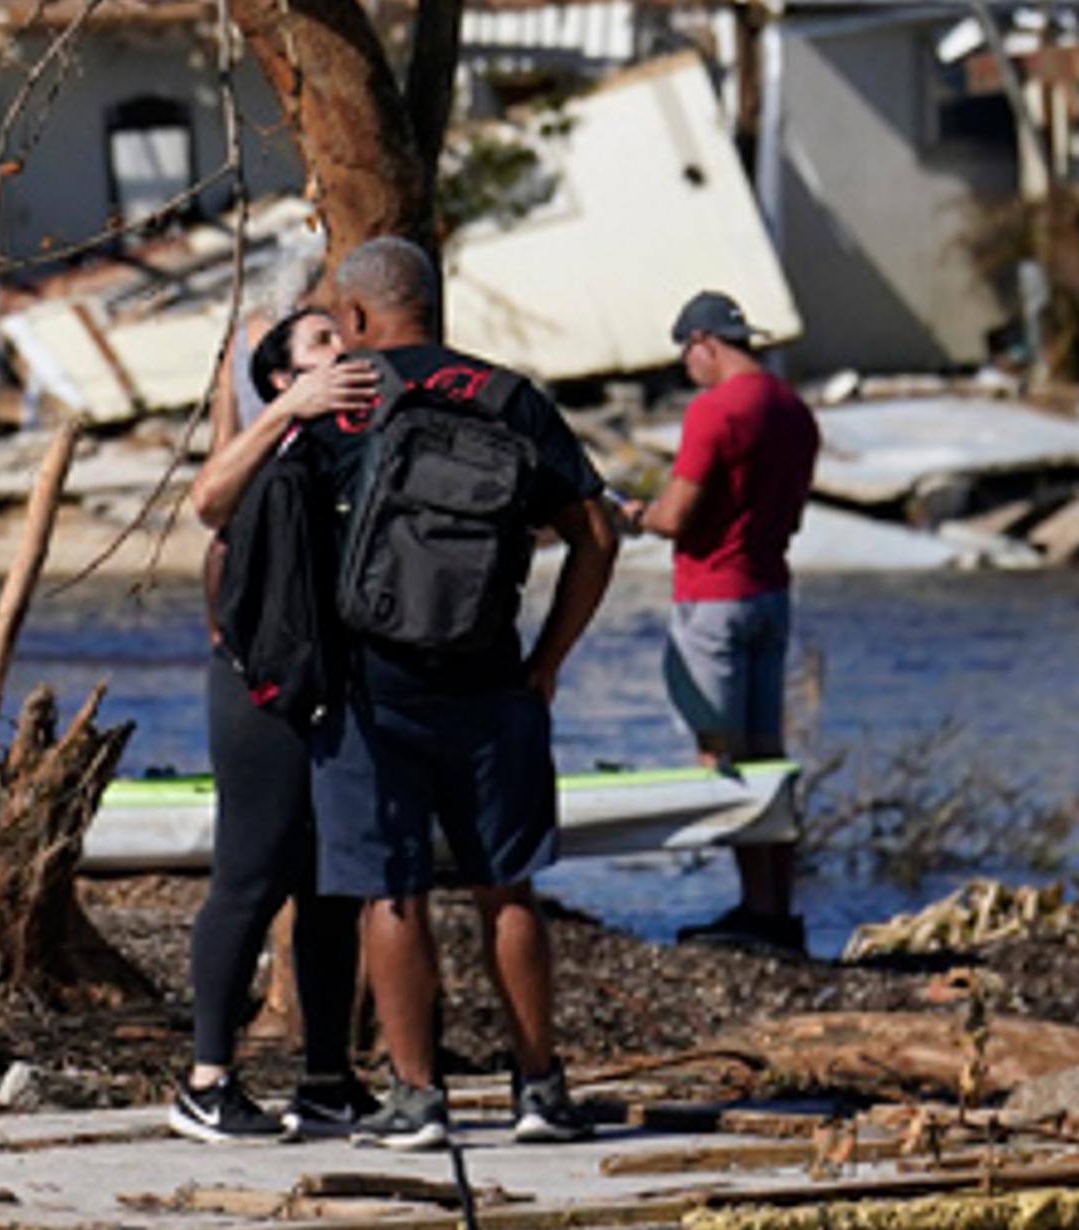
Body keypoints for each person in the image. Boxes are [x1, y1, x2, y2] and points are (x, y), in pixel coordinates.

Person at [305, 237, 619, 1151]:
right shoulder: (506, 397)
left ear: (358, 318)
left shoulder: (343, 403)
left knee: (390, 893)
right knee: (505, 887)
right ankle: (539, 1091)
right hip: (492, 680)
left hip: (367, 688)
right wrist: (548, 659)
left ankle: (418, 1100)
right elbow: (595, 535)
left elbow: (251, 533)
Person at [167, 305, 378, 1142]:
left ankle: (327, 1077)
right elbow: (205, 499)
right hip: (257, 694)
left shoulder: (351, 447)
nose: (342, 351)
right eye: (321, 342)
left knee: (331, 892)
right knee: (248, 879)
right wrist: (283, 409)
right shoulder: (275, 446)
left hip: (332, 692)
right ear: (283, 380)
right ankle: (205, 1081)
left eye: (343, 336)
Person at [630, 290, 815, 956]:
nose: (687, 371)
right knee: (769, 753)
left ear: (704, 342)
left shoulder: (715, 410)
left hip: (712, 598)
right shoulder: (793, 410)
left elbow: (675, 515)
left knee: (723, 759)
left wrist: (629, 514)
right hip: (770, 592)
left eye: (687, 356)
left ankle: (752, 913)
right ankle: (776, 910)